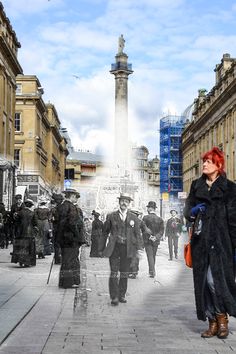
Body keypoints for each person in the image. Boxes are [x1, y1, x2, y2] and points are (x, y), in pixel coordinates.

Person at [184, 146, 236, 339]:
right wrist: (193, 210)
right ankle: (212, 322)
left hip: (222, 245)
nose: (204, 164)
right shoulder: (196, 186)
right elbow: (187, 210)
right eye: (204, 161)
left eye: (209, 161)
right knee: (204, 284)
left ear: (218, 164)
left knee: (215, 282)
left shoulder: (230, 188)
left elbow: (234, 221)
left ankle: (222, 319)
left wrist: (234, 249)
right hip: (200, 244)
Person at [100, 193, 143, 305]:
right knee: (114, 272)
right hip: (114, 248)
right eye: (122, 201)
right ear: (119, 202)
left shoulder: (134, 218)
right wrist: (101, 248)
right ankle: (114, 297)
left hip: (128, 249)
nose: (124, 203)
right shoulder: (111, 216)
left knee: (124, 273)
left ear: (129, 204)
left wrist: (139, 249)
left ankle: (122, 295)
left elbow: (138, 234)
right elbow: (104, 233)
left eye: (126, 201)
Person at [57, 188, 86, 288]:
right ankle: (69, 282)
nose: (76, 199)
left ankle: (64, 282)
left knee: (66, 259)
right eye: (75, 197)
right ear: (71, 196)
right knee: (71, 260)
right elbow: (72, 224)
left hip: (63, 238)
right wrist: (79, 237)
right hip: (71, 239)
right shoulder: (72, 208)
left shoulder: (61, 206)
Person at [11, 199, 37, 267]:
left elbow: (15, 221)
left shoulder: (19, 212)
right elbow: (35, 223)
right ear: (31, 205)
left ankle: (21, 261)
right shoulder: (32, 213)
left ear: (25, 205)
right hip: (29, 232)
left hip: (20, 232)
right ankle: (27, 262)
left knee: (21, 246)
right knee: (29, 247)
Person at [142, 201, 164, 278]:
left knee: (150, 256)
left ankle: (152, 272)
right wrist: (156, 237)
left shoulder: (145, 218)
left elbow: (143, 229)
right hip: (156, 241)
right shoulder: (160, 219)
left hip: (147, 240)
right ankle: (152, 271)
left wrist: (150, 236)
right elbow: (161, 231)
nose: (147, 209)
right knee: (153, 255)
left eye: (148, 207)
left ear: (150, 208)